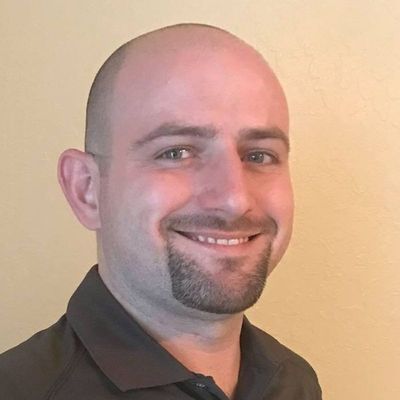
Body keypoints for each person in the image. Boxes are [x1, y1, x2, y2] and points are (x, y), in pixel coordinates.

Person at [0, 23, 322, 399]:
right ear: (87, 190)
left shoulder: (293, 381)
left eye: (258, 155)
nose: (235, 198)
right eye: (176, 152)